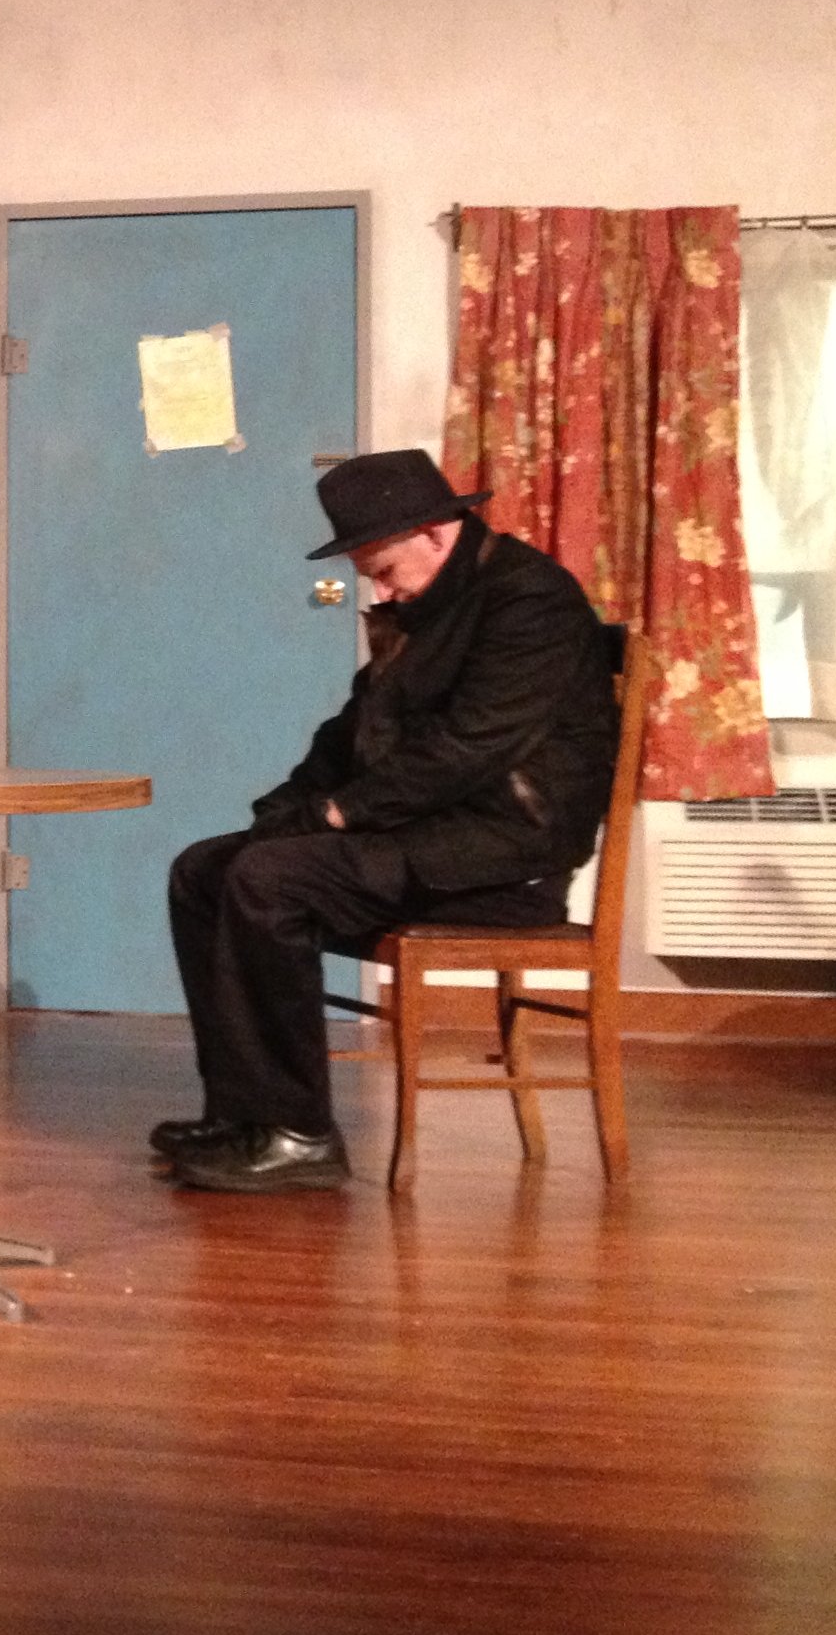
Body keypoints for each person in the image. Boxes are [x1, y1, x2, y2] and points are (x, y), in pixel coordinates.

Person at [159, 447, 618, 1191]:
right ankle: (244, 1116)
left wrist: (338, 813)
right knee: (204, 871)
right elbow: (350, 735)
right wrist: (286, 809)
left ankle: (299, 1135)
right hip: (425, 838)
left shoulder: (529, 601)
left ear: (435, 534)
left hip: (504, 859)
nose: (380, 589)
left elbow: (466, 750)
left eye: (383, 570)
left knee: (270, 881)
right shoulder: (428, 608)